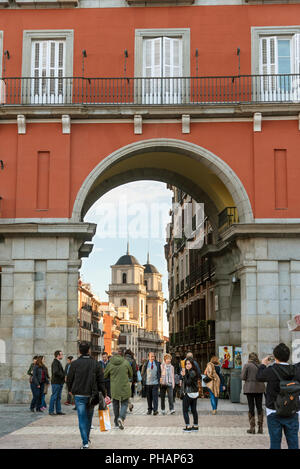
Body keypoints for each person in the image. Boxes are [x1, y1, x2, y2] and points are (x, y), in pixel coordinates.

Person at [257, 343, 300, 449]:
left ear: (275, 356)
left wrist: (263, 364)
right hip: (292, 409)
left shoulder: (270, 370)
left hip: (273, 410)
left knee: (275, 443)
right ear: (288, 356)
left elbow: (259, 377)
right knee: (293, 443)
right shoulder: (296, 370)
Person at [67, 341, 106, 449]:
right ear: (89, 351)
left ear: (79, 351)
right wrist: (104, 393)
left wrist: (70, 390)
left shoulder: (74, 364)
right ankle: (86, 439)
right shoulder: (96, 364)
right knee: (89, 418)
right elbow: (101, 380)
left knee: (81, 418)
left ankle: (85, 442)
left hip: (79, 395)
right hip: (92, 395)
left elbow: (69, 379)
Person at [104, 349, 133, 430]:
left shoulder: (110, 364)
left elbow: (105, 375)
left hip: (114, 387)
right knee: (124, 403)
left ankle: (116, 423)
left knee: (115, 404)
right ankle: (121, 418)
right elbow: (131, 374)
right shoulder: (126, 362)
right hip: (124, 387)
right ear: (121, 355)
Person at [241, 352, 265, 434]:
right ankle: (260, 428)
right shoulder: (261, 365)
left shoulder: (247, 365)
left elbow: (243, 377)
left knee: (251, 407)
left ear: (249, 358)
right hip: (260, 388)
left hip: (250, 388)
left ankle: (252, 428)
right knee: (259, 407)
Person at [181, 358, 199, 432]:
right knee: (194, 410)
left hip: (189, 393)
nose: (187, 365)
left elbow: (188, 383)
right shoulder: (191, 371)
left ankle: (188, 426)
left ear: (192, 364)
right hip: (194, 393)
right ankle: (195, 426)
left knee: (185, 410)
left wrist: (184, 375)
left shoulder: (192, 372)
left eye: (189, 364)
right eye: (186, 364)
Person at [49, 350, 65, 416]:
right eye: (61, 354)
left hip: (59, 382)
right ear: (58, 355)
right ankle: (51, 411)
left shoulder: (58, 362)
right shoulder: (55, 362)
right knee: (54, 397)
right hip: (56, 382)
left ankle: (58, 410)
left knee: (58, 397)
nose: (62, 355)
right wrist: (63, 375)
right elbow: (55, 372)